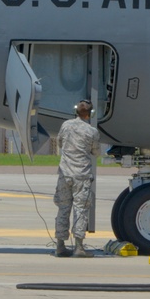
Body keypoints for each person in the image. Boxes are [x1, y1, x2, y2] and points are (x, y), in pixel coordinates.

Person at [53, 99, 100, 258]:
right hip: (81, 175)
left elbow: (60, 142)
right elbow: (96, 152)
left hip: (64, 174)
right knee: (80, 210)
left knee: (63, 208)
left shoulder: (65, 125)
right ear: (90, 114)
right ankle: (79, 247)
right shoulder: (92, 131)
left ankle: (60, 246)